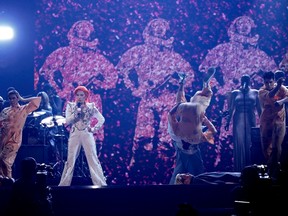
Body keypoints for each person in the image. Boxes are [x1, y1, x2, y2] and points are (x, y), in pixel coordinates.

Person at [168, 68, 217, 184]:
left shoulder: (177, 131)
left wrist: (181, 85)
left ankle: (186, 82)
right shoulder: (197, 134)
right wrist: (205, 120)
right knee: (196, 174)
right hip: (189, 150)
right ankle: (205, 86)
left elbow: (171, 113)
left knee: (180, 175)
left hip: (185, 149)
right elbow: (213, 131)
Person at [58, 86, 107, 186]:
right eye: (77, 95)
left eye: (82, 95)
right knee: (70, 159)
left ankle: (100, 183)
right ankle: (64, 184)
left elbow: (101, 119)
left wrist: (93, 129)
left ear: (86, 96)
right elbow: (67, 121)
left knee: (92, 158)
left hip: (86, 134)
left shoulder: (91, 107)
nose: (79, 97)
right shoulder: (70, 106)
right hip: (74, 133)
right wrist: (76, 113)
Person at [0, 89, 41, 179]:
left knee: (5, 159)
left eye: (14, 98)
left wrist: (23, 99)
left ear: (17, 98)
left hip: (15, 139)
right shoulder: (5, 111)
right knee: (2, 162)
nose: (12, 100)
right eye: (10, 98)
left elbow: (37, 100)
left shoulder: (24, 109)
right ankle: (4, 182)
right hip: (3, 138)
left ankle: (9, 181)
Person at [225, 74, 262, 172]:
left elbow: (259, 110)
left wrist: (263, 122)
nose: (244, 81)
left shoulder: (255, 92)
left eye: (246, 80)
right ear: (241, 81)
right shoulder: (235, 93)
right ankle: (240, 168)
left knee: (250, 141)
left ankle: (251, 169)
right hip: (238, 118)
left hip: (250, 117)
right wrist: (227, 122)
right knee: (240, 141)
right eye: (243, 80)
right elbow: (231, 108)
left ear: (250, 81)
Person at [258, 70, 288, 180]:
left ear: (273, 81)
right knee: (266, 147)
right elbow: (270, 95)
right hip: (267, 121)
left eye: (271, 82)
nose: (269, 85)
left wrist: (282, 101)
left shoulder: (282, 89)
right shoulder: (261, 91)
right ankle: (271, 167)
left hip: (279, 119)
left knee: (277, 146)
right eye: (266, 83)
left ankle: (273, 170)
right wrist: (278, 85)